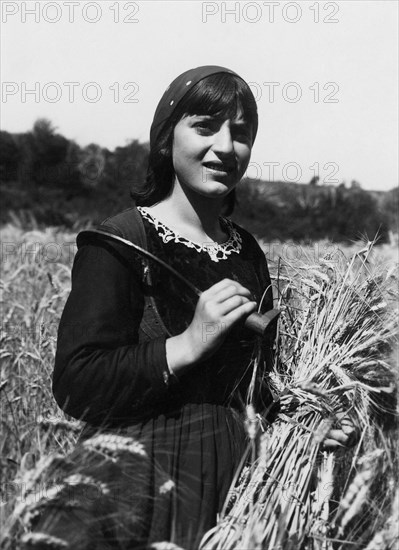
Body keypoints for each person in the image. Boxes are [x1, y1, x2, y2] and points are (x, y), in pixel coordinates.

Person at [51, 66, 356, 550]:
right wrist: (188, 343)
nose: (224, 147)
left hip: (240, 493)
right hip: (141, 490)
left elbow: (251, 387)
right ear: (165, 139)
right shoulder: (120, 242)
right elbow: (77, 384)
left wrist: (302, 427)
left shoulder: (246, 250)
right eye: (204, 126)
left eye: (241, 133)